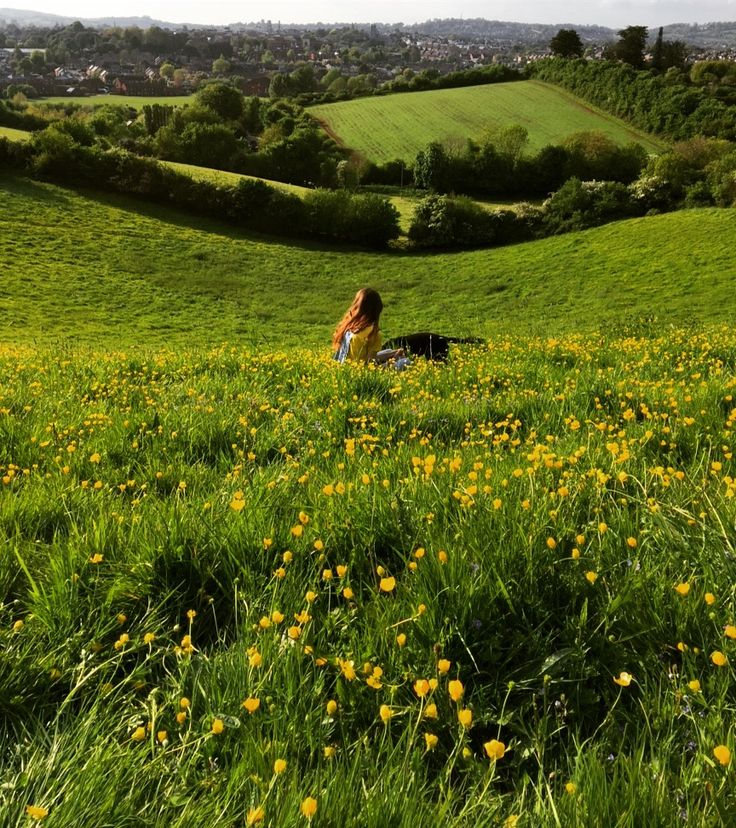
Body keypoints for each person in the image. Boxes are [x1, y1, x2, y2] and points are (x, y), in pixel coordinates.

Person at [332, 288, 408, 367]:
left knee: (389, 351)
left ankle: (393, 353)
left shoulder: (348, 326)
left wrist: (393, 353)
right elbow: (369, 365)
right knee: (406, 362)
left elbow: (365, 358)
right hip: (360, 371)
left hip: (343, 367)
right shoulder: (371, 333)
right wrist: (393, 360)